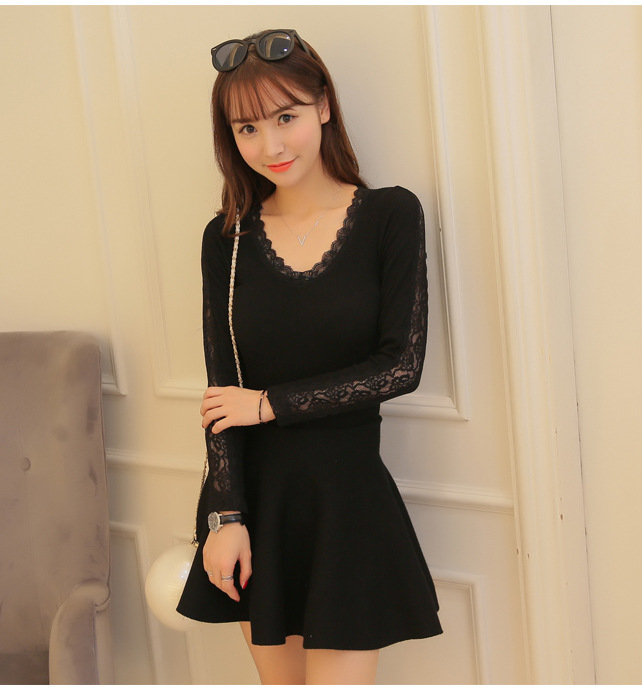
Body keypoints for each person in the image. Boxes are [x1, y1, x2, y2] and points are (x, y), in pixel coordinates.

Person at [177, 29, 442, 685]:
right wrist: (224, 517)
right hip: (256, 508)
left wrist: (270, 405)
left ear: (323, 105)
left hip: (346, 502)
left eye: (285, 118)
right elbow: (221, 390)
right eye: (247, 129)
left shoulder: (390, 215)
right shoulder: (225, 238)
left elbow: (400, 366)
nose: (270, 146)